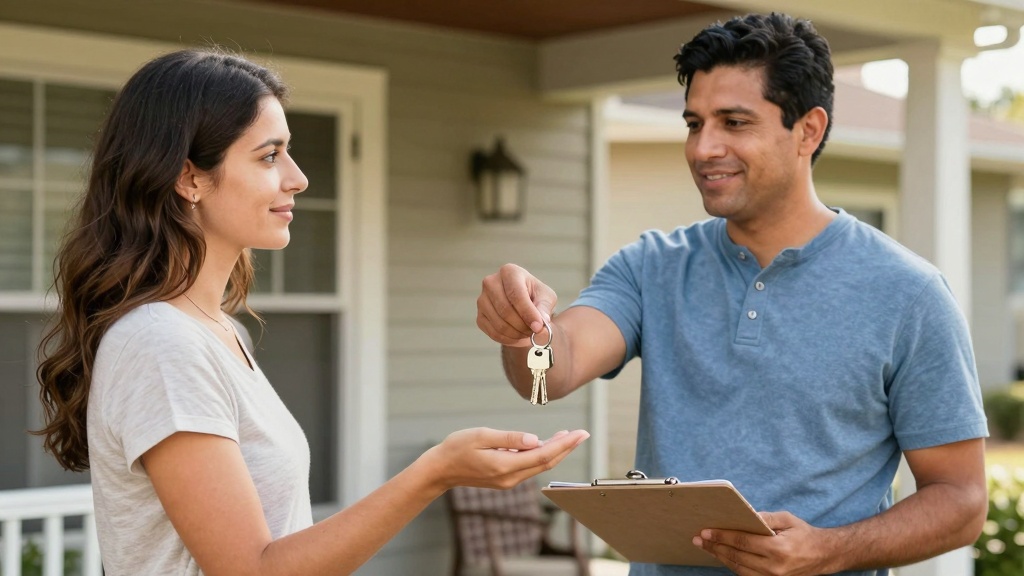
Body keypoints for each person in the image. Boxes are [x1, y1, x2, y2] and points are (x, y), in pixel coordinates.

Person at [34, 48, 589, 576]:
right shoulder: (160, 342)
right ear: (189, 178)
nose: (297, 177)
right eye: (269, 155)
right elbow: (252, 569)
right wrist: (434, 473)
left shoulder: (219, 333)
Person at [476, 12, 987, 576]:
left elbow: (961, 501)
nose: (703, 148)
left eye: (734, 122)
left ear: (809, 131)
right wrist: (526, 328)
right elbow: (550, 372)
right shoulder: (652, 266)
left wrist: (827, 549)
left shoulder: (907, 293)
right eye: (695, 124)